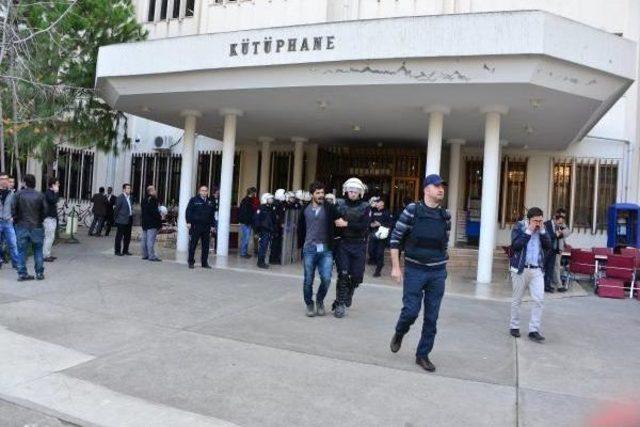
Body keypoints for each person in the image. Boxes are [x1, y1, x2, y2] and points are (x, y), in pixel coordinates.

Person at [388, 174, 451, 372]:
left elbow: (444, 242)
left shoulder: (445, 216)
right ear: (426, 189)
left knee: (432, 317)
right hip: (415, 270)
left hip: (437, 272)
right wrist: (396, 267)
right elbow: (395, 239)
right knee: (411, 311)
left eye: (442, 186)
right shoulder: (412, 211)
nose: (441, 189)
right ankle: (400, 332)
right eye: (436, 186)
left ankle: (422, 355)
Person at [508, 207, 552, 343]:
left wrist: (543, 231)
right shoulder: (519, 227)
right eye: (535, 220)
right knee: (517, 299)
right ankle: (514, 326)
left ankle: (534, 330)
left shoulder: (543, 229)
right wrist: (529, 231)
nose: (538, 223)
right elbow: (516, 245)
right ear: (529, 219)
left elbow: (548, 246)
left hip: (537, 269)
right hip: (520, 269)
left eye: (540, 220)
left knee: (539, 300)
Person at [297, 181, 339, 317]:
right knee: (308, 279)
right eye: (318, 193)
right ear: (312, 195)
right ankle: (309, 303)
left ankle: (320, 300)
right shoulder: (305, 209)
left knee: (326, 279)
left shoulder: (330, 208)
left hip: (326, 250)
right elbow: (300, 228)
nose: (321, 195)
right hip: (309, 249)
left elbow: (340, 220)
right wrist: (300, 246)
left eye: (322, 193)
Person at [332, 177, 371, 318]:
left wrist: (347, 224)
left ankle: (350, 290)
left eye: (355, 191)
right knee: (342, 274)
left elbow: (364, 226)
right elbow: (335, 222)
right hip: (343, 243)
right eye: (350, 191)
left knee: (357, 276)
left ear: (360, 192)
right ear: (346, 191)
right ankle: (340, 303)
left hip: (359, 244)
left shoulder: (366, 207)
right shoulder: (340, 204)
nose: (353, 193)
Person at [11, 174, 47, 281]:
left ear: (24, 183)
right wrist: (40, 221)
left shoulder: (18, 194)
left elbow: (13, 210)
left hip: (22, 226)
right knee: (38, 250)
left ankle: (22, 273)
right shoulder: (40, 195)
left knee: (22, 250)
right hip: (37, 226)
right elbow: (45, 211)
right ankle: (39, 273)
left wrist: (17, 220)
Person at [186, 185, 216, 269]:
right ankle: (191, 262)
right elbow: (188, 211)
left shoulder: (210, 201)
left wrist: (213, 225)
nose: (204, 192)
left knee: (206, 246)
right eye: (203, 190)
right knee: (193, 244)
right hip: (196, 226)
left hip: (206, 227)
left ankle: (204, 262)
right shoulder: (194, 200)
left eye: (206, 191)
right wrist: (188, 222)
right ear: (199, 191)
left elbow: (212, 215)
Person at [544, 208, 571, 293]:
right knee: (554, 267)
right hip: (550, 249)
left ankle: (551, 284)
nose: (562, 219)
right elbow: (548, 236)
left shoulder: (561, 224)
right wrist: (557, 234)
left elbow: (568, 232)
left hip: (558, 249)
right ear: (556, 215)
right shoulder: (549, 223)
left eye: (564, 217)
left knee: (554, 267)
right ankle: (558, 285)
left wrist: (561, 233)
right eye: (561, 216)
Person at [0, 172, 20, 270]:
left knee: (13, 243)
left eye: (5, 179)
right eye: (1, 179)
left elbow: (17, 207)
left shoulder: (12, 193)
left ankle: (16, 263)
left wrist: (14, 217)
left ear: (8, 181)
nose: (3, 181)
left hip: (8, 222)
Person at [369, 198, 393, 277]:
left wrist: (380, 224)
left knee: (380, 252)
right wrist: (371, 224)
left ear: (382, 203)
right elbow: (369, 220)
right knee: (371, 250)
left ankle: (378, 270)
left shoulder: (387, 212)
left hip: (382, 234)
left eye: (378, 202)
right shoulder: (373, 211)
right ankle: (374, 260)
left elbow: (390, 224)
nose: (376, 204)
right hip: (373, 233)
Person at [140, 185, 162, 262]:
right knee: (150, 240)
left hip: (145, 222)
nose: (155, 191)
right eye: (154, 190)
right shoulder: (153, 199)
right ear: (151, 191)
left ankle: (145, 254)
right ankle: (151, 256)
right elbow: (154, 212)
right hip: (152, 222)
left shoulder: (144, 199)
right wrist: (160, 219)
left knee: (144, 239)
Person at [255, 193, 276, 269]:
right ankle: (260, 262)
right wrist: (257, 231)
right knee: (263, 246)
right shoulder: (261, 208)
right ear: (265, 199)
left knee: (266, 247)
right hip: (263, 230)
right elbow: (257, 220)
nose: (272, 200)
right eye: (270, 198)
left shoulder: (270, 208)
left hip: (268, 230)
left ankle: (263, 261)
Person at [114, 183, 134, 256]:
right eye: (127, 188)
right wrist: (116, 219)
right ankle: (117, 251)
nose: (129, 190)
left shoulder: (130, 197)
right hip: (121, 220)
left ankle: (125, 250)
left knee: (127, 236)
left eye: (129, 188)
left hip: (129, 219)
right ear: (124, 189)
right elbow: (116, 209)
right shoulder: (120, 197)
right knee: (119, 236)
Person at [43, 177, 59, 262]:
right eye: (57, 184)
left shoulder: (52, 192)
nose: (58, 185)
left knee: (50, 237)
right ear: (53, 185)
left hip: (52, 218)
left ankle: (47, 253)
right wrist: (56, 192)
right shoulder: (48, 193)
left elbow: (56, 200)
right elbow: (53, 201)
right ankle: (45, 255)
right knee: (49, 236)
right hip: (48, 218)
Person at [238, 187, 257, 259]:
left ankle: (244, 252)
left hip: (247, 222)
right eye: (254, 192)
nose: (255, 194)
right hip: (246, 222)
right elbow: (245, 213)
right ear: (252, 193)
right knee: (246, 237)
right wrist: (247, 221)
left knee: (246, 237)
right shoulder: (247, 201)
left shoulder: (247, 200)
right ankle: (243, 253)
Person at [270, 189, 287, 265]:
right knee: (275, 243)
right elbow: (275, 217)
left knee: (278, 243)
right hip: (276, 227)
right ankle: (273, 259)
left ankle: (276, 258)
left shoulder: (280, 203)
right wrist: (280, 223)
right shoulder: (276, 204)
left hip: (279, 227)